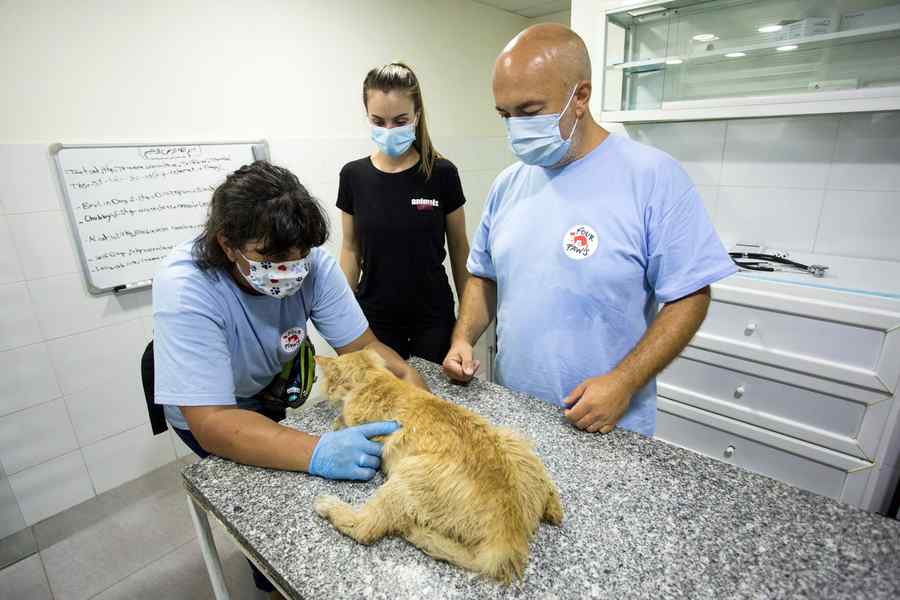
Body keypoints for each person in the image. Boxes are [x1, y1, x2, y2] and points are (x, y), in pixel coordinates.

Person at [443, 24, 737, 437]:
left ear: (579, 97)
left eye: (528, 112)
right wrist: (463, 338)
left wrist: (624, 381)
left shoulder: (652, 177)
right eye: (504, 115)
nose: (514, 127)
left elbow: (690, 295)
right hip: (513, 413)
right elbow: (483, 276)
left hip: (606, 422)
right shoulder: (508, 184)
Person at [152, 160, 426, 598]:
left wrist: (412, 390)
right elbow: (213, 422)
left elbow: (363, 349)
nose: (292, 269)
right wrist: (317, 450)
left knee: (294, 488)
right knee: (263, 506)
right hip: (209, 410)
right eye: (273, 259)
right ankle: (271, 579)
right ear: (228, 244)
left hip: (266, 386)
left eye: (300, 256)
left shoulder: (309, 261)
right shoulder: (186, 288)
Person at [337, 62, 470, 364]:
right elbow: (350, 248)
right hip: (375, 320)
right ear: (367, 118)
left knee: (433, 404)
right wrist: (341, 317)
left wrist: (465, 326)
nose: (389, 130)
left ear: (417, 116)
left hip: (432, 317)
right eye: (378, 121)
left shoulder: (442, 173)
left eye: (400, 121)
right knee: (384, 404)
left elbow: (460, 248)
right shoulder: (353, 176)